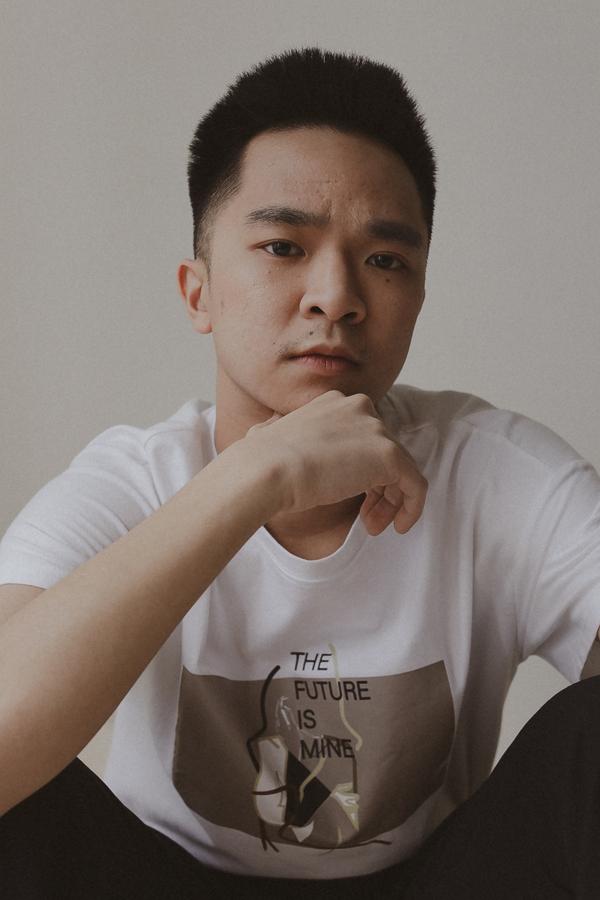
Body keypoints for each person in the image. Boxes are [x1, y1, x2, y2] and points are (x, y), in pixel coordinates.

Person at [1, 45, 599, 899]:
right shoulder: (133, 482)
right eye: (284, 246)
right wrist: (257, 476)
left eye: (385, 260)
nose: (336, 295)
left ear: (418, 296)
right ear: (199, 292)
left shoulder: (496, 473)